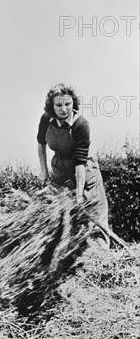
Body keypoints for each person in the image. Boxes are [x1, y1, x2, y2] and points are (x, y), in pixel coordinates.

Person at [37, 83, 109, 247]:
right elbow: (41, 144)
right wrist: (43, 171)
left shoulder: (80, 125)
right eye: (59, 105)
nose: (64, 109)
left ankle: (101, 260)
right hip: (59, 173)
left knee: (95, 222)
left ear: (73, 104)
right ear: (52, 106)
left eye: (68, 104)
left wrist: (78, 193)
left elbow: (79, 163)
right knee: (62, 221)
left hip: (85, 174)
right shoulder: (46, 119)